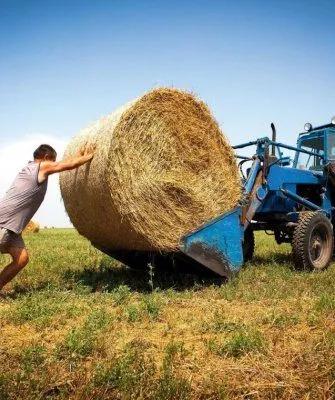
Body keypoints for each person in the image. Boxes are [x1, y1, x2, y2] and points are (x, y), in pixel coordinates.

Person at [0, 143, 95, 291]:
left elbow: (61, 163)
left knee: (21, 259)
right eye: (53, 160)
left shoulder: (32, 169)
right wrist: (89, 157)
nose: (54, 164)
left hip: (13, 227)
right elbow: (66, 166)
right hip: (4, 222)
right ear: (46, 158)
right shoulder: (39, 168)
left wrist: (78, 154)